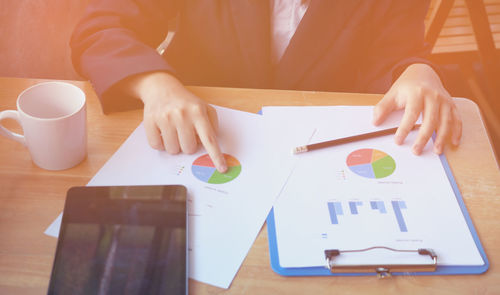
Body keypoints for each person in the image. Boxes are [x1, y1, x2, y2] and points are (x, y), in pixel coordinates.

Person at [70, 0, 462, 173]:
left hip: (317, 155)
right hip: (196, 145)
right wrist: (156, 85)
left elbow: (397, 56)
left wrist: (416, 70)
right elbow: (102, 26)